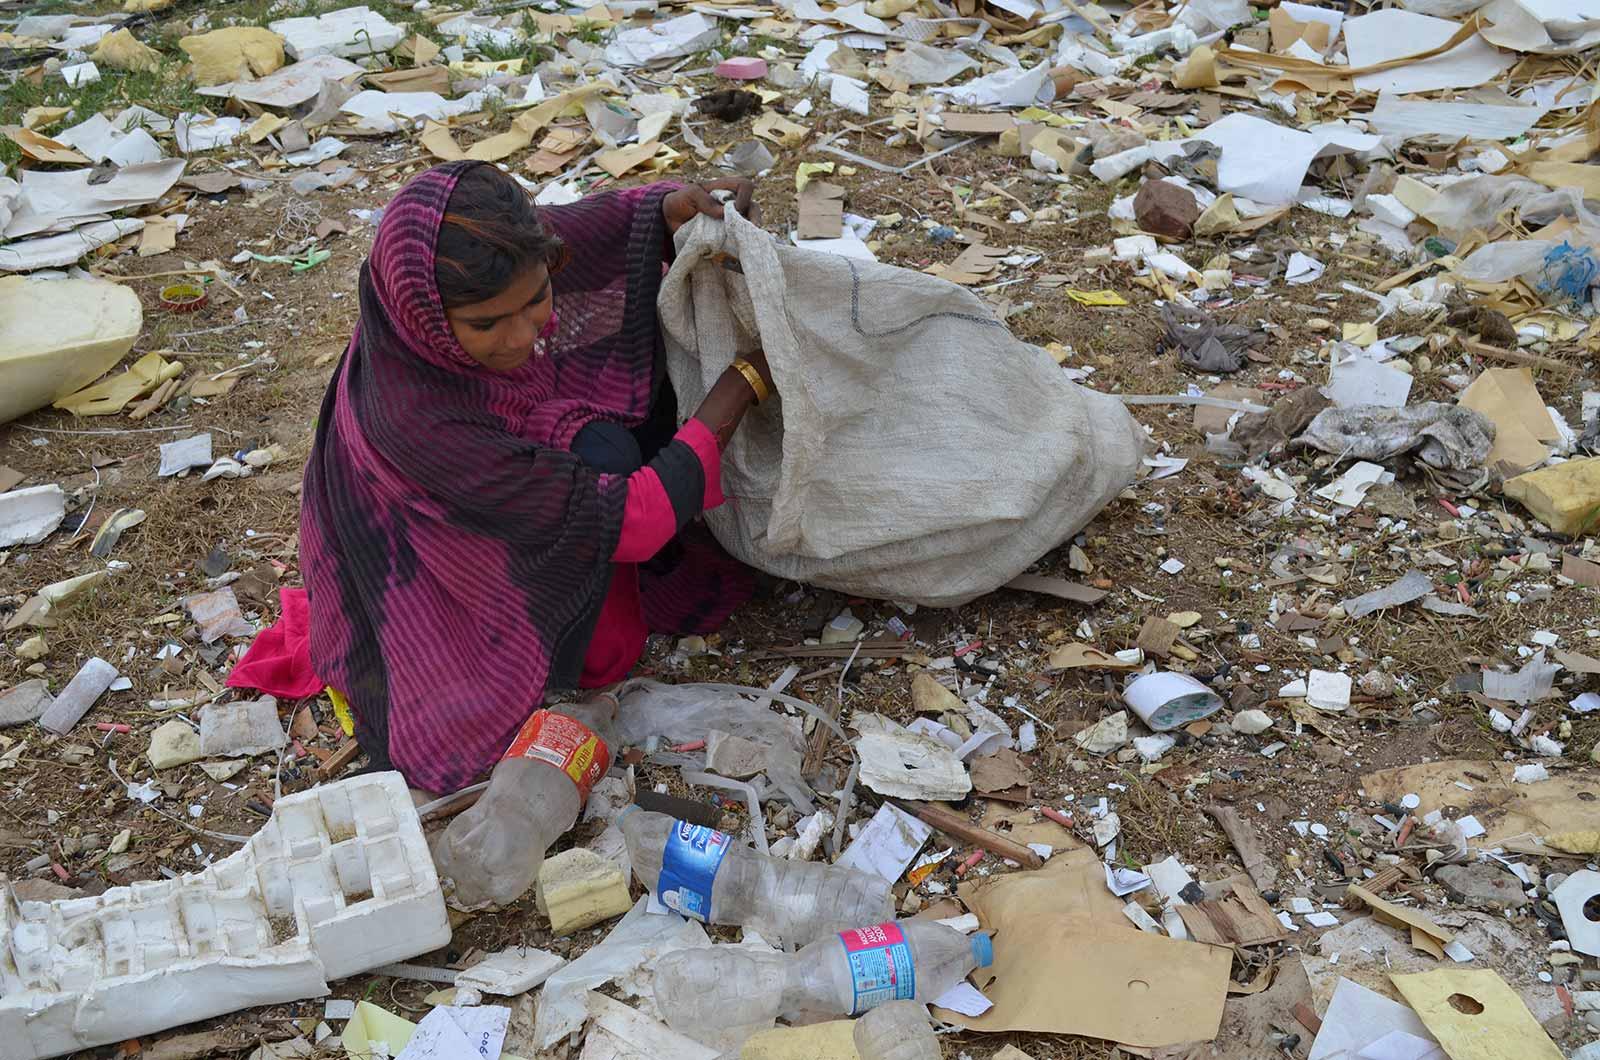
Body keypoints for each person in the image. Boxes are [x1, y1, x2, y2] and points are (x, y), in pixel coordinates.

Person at [299, 160, 773, 795]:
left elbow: (567, 233)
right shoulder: (424, 424)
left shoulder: (450, 278)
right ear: (426, 318)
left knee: (630, 397)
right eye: (488, 324)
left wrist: (665, 210)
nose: (528, 333)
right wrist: (740, 383)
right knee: (609, 459)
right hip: (440, 571)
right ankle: (587, 639)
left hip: (494, 475)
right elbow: (634, 521)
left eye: (536, 301)